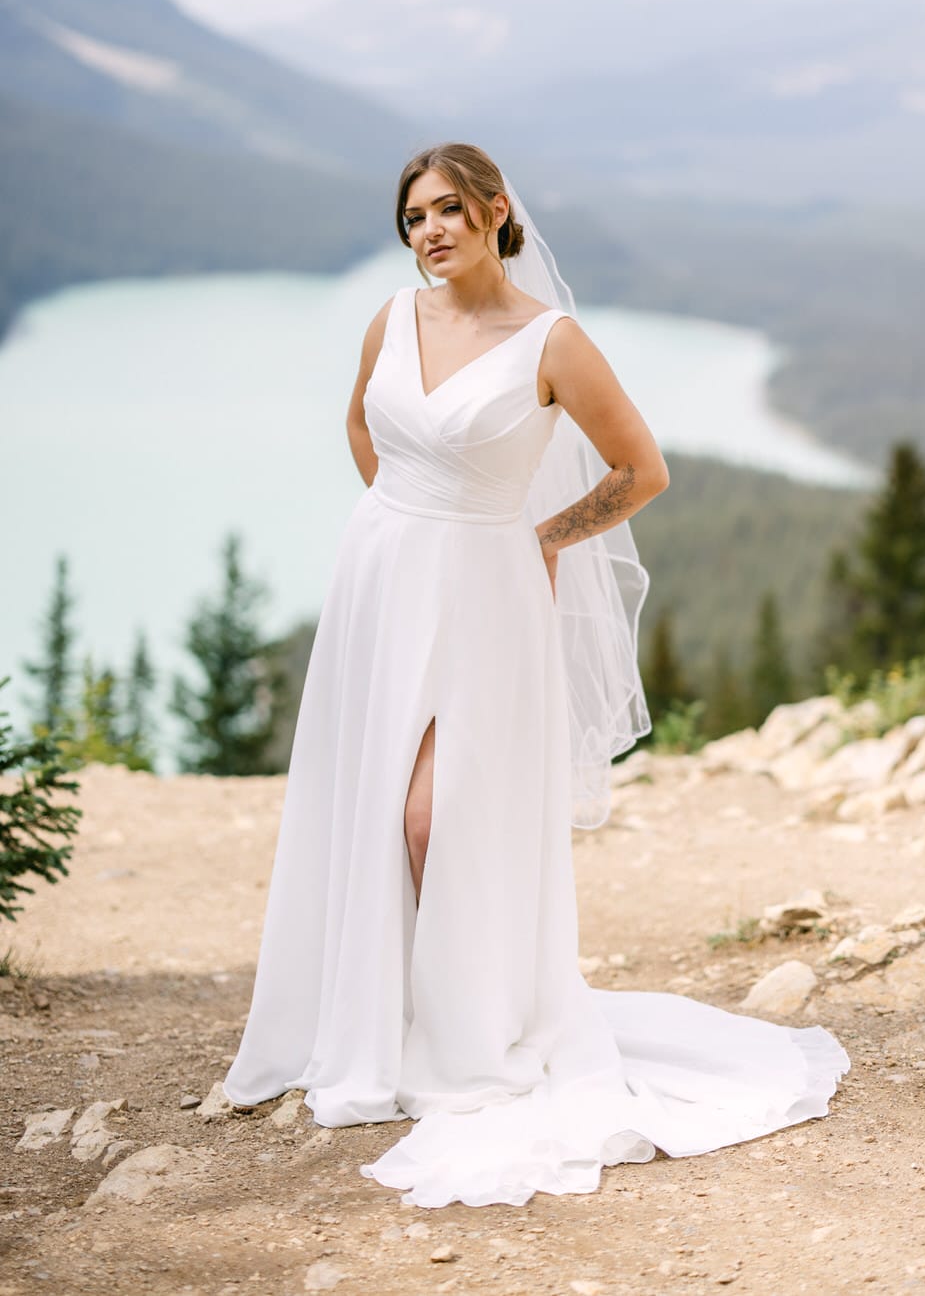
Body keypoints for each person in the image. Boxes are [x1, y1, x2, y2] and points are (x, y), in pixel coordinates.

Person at [222, 142, 850, 1209]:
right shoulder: (392, 319)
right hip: (379, 581)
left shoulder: (551, 341)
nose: (429, 231)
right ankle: (379, 1019)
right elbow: (360, 427)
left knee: (435, 817)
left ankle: (463, 1026)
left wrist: (539, 540)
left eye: (449, 210)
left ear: (495, 211)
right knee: (369, 804)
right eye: (413, 216)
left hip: (488, 596)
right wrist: (402, 524)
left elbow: (640, 468)